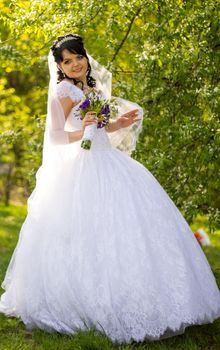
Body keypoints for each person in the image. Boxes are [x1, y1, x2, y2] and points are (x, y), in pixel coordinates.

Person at [0, 33, 220, 345]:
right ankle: (86, 299)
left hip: (107, 159)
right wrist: (85, 126)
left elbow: (100, 128)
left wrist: (118, 123)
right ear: (60, 66)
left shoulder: (88, 86)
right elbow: (59, 137)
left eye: (79, 57)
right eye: (68, 60)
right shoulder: (64, 91)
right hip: (82, 167)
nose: (76, 64)